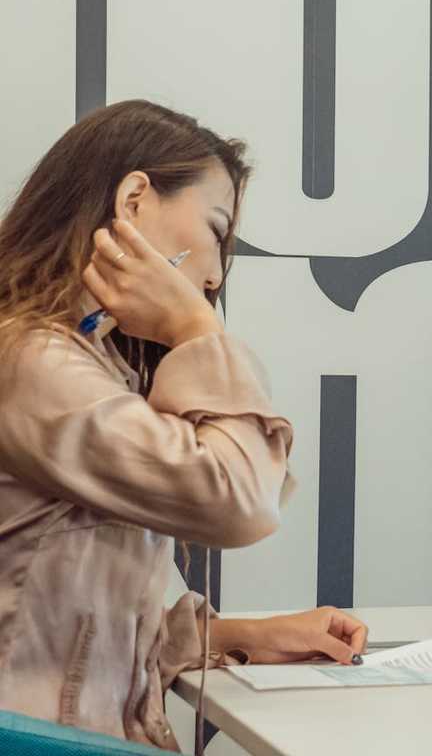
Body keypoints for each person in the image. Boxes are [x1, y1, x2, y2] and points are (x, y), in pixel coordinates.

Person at [0, 100, 369, 752]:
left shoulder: (82, 365)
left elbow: (56, 620)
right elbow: (240, 499)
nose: (216, 274)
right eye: (217, 232)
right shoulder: (30, 362)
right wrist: (196, 330)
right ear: (135, 200)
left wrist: (235, 637)